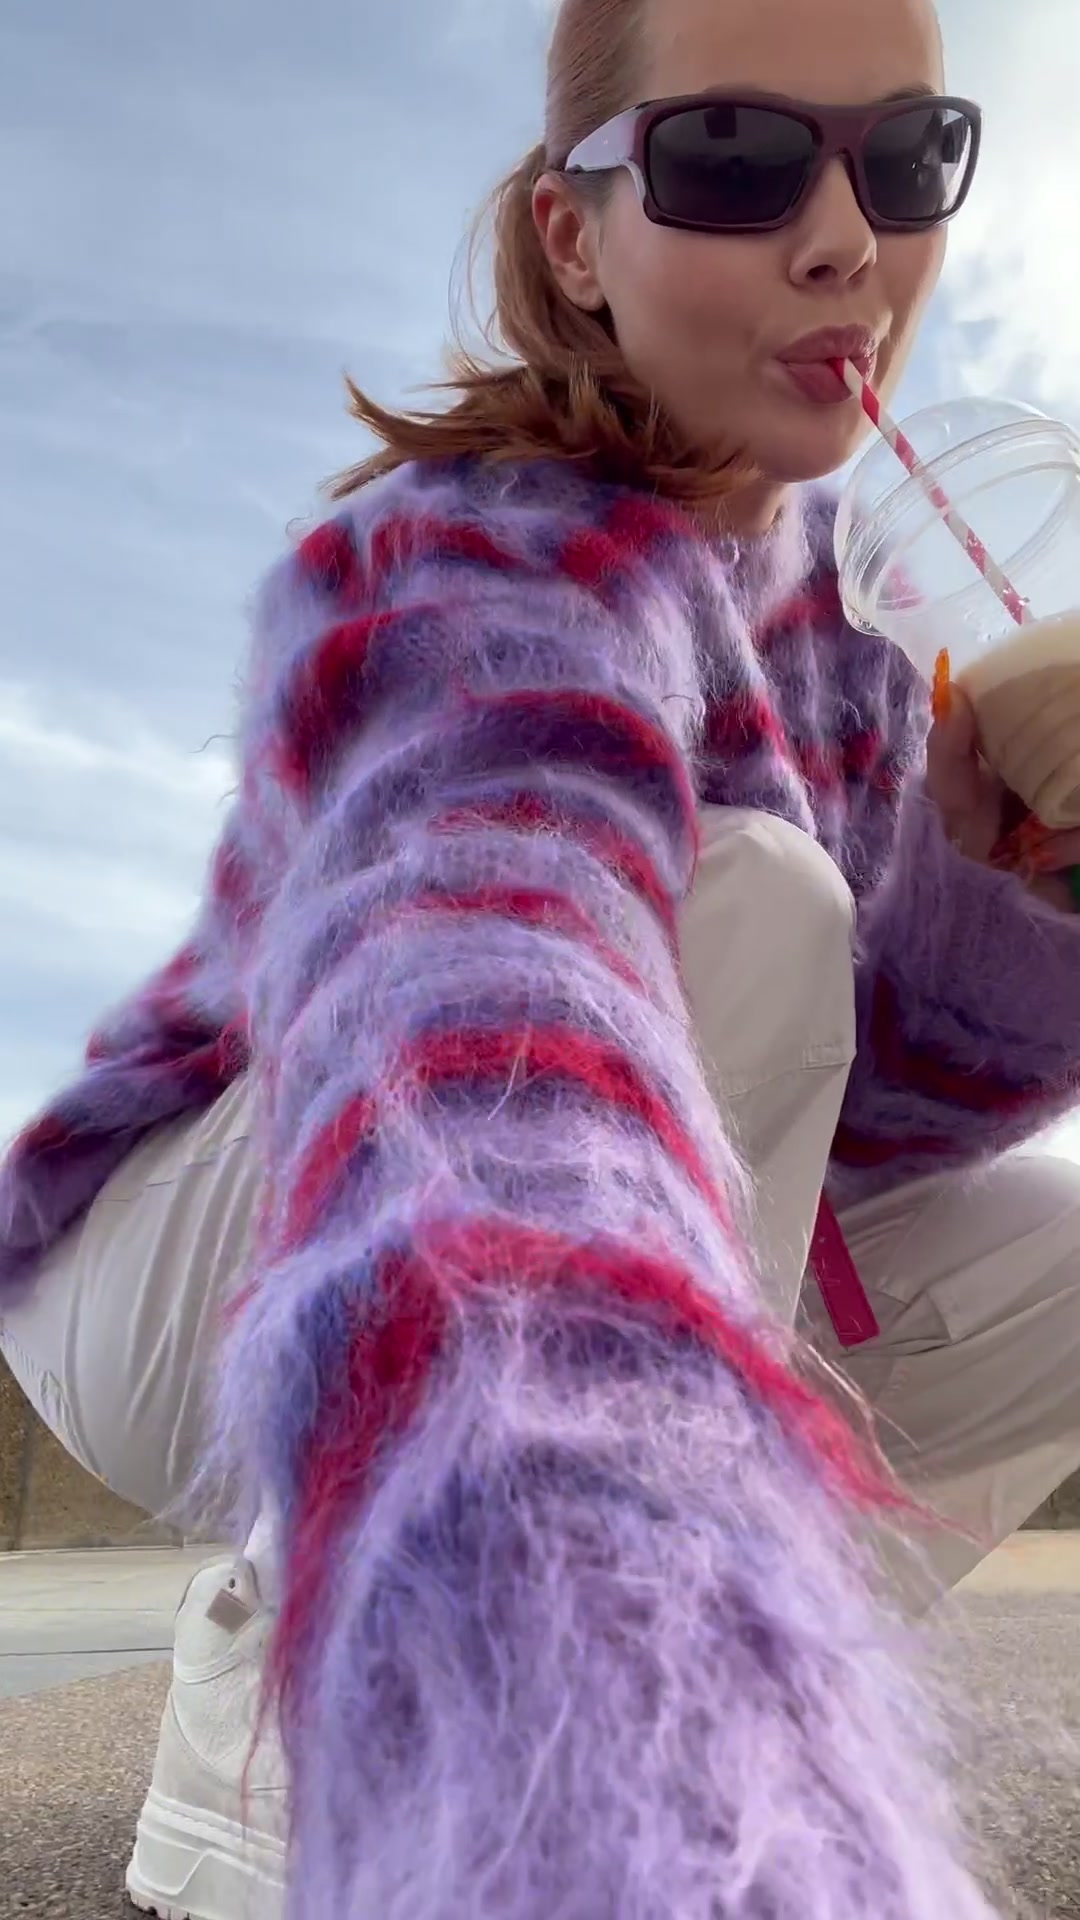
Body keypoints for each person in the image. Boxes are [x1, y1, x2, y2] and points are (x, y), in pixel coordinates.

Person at [2, 0, 1078, 1911]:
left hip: (579, 1166)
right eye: (738, 160)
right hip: (204, 1254)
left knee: (1049, 1247)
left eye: (909, 160)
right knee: (747, 903)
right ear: (576, 240)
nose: (848, 241)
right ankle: (374, 1693)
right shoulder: (472, 555)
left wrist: (1009, 887)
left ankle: (724, 1664)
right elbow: (488, 993)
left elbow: (857, 1132)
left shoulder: (875, 641)